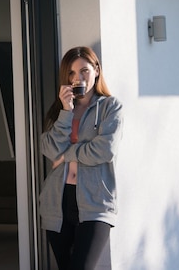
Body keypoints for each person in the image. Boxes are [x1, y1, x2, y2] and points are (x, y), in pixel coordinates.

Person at [39, 46, 123, 270]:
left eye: (84, 71)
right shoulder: (59, 111)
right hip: (57, 202)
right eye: (71, 74)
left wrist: (66, 155)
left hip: (95, 201)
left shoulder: (110, 107)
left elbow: (105, 150)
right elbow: (48, 148)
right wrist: (66, 110)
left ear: (96, 70)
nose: (78, 78)